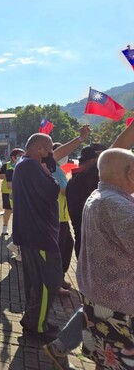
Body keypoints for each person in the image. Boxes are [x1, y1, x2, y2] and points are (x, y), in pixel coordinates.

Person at [12, 127, 89, 344]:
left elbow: (57, 155)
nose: (52, 154)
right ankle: (37, 326)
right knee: (49, 281)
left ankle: (33, 320)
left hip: (34, 235)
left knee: (38, 283)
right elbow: (52, 190)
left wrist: (79, 139)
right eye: (48, 148)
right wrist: (53, 179)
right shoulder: (31, 167)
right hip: (39, 237)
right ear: (38, 149)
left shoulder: (30, 164)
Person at [76, 149, 134, 370]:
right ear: (130, 173)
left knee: (104, 358)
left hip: (99, 297)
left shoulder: (99, 196)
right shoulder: (116, 205)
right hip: (118, 304)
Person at [65, 143, 106, 258]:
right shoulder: (85, 178)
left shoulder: (74, 180)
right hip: (92, 249)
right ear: (94, 162)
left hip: (84, 245)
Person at [51, 143, 74, 294]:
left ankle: (59, 278)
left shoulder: (57, 169)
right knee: (60, 250)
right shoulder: (56, 170)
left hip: (62, 216)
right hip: (58, 217)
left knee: (66, 246)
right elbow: (65, 191)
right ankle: (55, 282)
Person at [0, 148, 24, 236]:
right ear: (13, 157)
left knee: (19, 210)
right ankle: (5, 228)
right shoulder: (6, 165)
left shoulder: (23, 165)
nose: (22, 157)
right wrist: (11, 173)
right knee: (8, 210)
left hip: (19, 191)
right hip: (7, 191)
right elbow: (0, 176)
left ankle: (17, 229)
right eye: (20, 155)